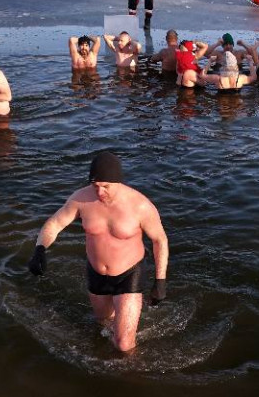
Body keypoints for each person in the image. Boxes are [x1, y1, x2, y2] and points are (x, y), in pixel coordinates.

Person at [27, 151, 169, 353]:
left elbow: (159, 240)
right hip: (96, 274)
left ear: (118, 182)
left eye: (106, 187)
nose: (100, 192)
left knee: (123, 344)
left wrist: (160, 281)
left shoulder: (140, 206)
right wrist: (40, 249)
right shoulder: (81, 199)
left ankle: (128, 377)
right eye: (96, 186)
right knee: (103, 324)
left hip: (129, 274)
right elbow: (55, 223)